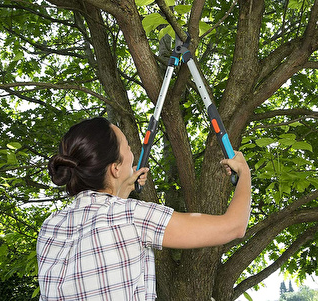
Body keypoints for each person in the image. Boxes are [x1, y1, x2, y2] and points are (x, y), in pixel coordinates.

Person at [37, 117, 251, 301]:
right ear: (115, 168)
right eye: (128, 147)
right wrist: (244, 173)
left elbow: (101, 236)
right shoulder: (132, 216)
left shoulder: (50, 227)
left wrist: (123, 188)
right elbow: (233, 227)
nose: (132, 153)